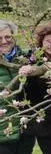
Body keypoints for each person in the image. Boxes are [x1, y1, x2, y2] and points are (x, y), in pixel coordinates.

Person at [18, 24, 51, 154]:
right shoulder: (33, 60)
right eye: (47, 41)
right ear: (41, 43)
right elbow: (27, 91)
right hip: (43, 122)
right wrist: (28, 72)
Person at [0, 20, 26, 154]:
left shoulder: (26, 56)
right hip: (2, 131)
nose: (4, 41)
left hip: (25, 129)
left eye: (8, 37)